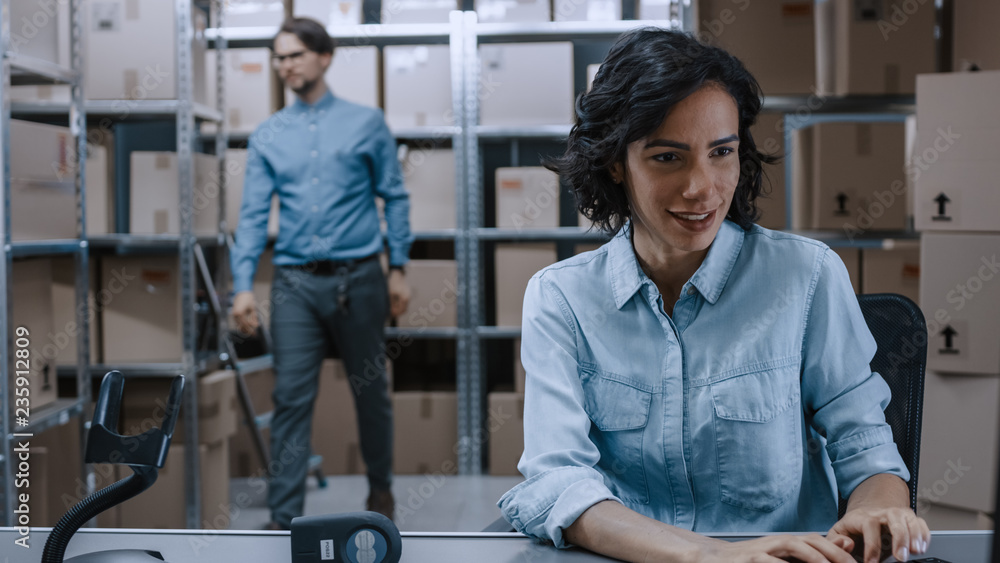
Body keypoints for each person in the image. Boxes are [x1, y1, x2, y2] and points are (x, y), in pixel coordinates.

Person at [498, 28, 931, 563]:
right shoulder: (560, 299)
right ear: (616, 162)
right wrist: (711, 557)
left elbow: (866, 450)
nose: (701, 187)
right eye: (667, 158)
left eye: (720, 152)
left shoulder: (807, 276)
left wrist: (873, 508)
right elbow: (559, 482)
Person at [230, 18, 412, 529]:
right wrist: (243, 285)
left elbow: (394, 196)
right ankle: (284, 517)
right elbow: (250, 217)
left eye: (294, 55)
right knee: (290, 397)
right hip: (294, 283)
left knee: (370, 391)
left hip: (360, 278)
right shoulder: (269, 134)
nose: (285, 65)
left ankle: (381, 493)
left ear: (324, 57)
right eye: (278, 57)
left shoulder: (366, 122)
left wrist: (398, 267)